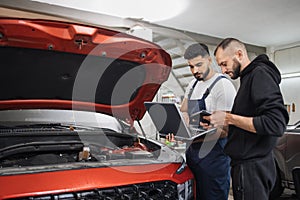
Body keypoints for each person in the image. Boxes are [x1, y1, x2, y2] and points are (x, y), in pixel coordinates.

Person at [210, 38, 289, 200]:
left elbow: (276, 123)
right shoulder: (248, 78)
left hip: (252, 168)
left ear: (239, 54)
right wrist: (225, 121)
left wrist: (229, 118)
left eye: (224, 64)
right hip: (249, 166)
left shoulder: (259, 74)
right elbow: (251, 121)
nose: (223, 70)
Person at [179, 43, 236, 200]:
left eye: (199, 65)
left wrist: (191, 136)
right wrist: (177, 125)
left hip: (213, 159)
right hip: (191, 155)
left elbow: (225, 131)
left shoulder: (223, 86)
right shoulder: (193, 84)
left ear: (209, 60)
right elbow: (183, 109)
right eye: (191, 67)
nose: (195, 71)